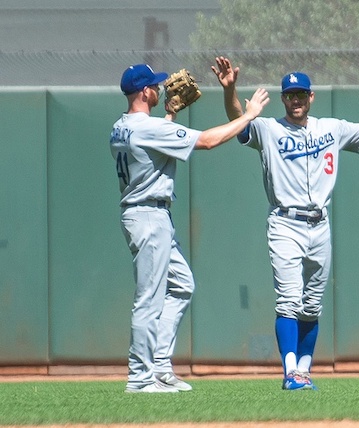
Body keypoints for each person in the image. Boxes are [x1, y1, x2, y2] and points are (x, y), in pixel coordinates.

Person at [212, 56, 359, 390]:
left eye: (301, 94)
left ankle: (304, 370)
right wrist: (230, 91)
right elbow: (239, 120)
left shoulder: (331, 129)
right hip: (285, 223)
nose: (296, 100)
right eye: (290, 94)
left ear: (311, 97)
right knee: (289, 299)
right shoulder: (269, 129)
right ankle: (290, 371)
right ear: (282, 99)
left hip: (321, 226)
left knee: (311, 305)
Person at [110, 63, 269, 393]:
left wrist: (169, 116)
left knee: (181, 285)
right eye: (155, 86)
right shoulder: (147, 128)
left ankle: (160, 366)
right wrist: (249, 115)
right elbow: (209, 141)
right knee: (149, 300)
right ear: (144, 93)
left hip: (147, 213)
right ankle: (140, 378)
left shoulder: (120, 127)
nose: (161, 88)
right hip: (148, 216)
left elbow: (154, 146)